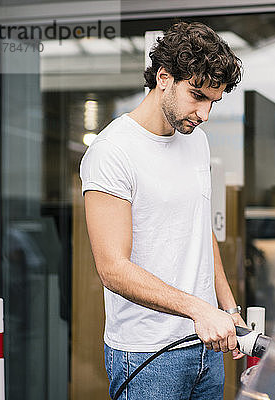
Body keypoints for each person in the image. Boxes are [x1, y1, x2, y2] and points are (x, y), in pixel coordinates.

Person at [79, 21, 245, 399]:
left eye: (213, 102)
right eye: (197, 96)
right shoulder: (112, 152)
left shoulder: (197, 143)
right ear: (164, 77)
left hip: (206, 348)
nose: (204, 114)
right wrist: (198, 311)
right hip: (148, 355)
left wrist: (228, 308)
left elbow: (201, 232)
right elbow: (112, 268)